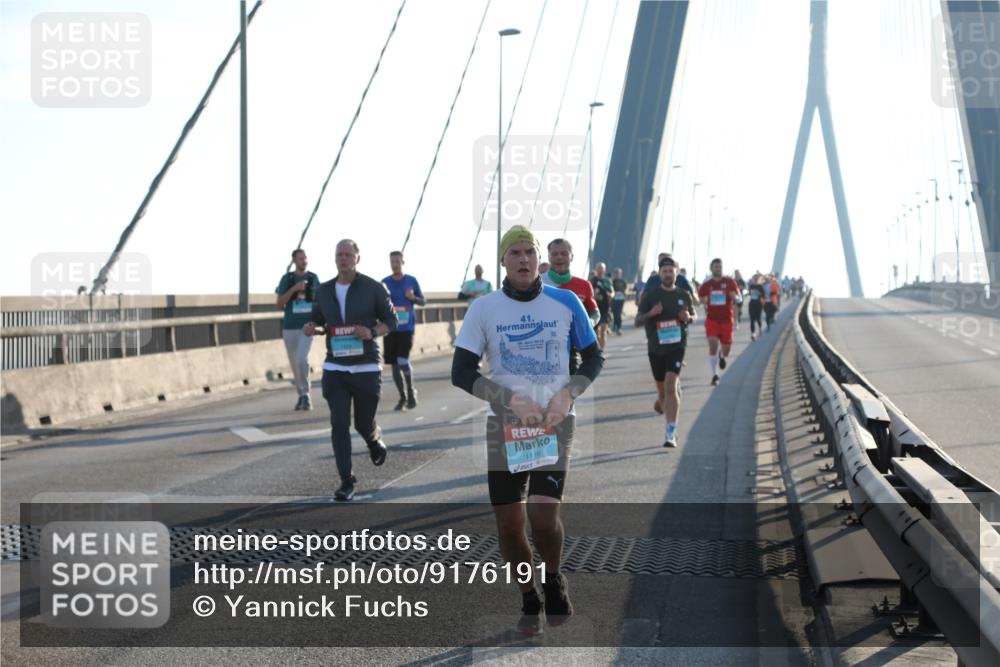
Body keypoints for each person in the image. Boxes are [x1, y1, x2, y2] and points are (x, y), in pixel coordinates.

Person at [451, 226, 603, 634]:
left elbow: (593, 358)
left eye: (529, 252)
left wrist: (568, 393)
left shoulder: (566, 301)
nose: (523, 259)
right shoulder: (484, 308)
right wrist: (507, 399)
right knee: (508, 524)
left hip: (554, 423)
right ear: (503, 261)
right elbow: (461, 372)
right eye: (515, 252)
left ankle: (553, 576)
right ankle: (528, 595)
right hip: (505, 427)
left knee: (541, 515)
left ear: (539, 260)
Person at [304, 239, 397, 501]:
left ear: (357, 258)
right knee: (339, 423)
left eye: (348, 254)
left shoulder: (373, 288)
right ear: (335, 259)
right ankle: (347, 481)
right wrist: (312, 326)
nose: (343, 258)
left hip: (366, 365)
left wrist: (372, 332)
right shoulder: (323, 291)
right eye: (339, 255)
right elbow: (319, 320)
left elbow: (392, 320)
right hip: (335, 366)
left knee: (362, 422)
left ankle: (373, 439)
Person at [635, 256, 696, 447]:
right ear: (660, 274)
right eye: (665, 271)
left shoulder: (683, 295)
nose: (668, 274)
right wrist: (651, 314)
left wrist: (688, 317)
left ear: (676, 273)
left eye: (671, 271)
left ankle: (671, 432)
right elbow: (637, 321)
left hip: (677, 346)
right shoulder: (650, 296)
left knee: (671, 384)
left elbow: (693, 316)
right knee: (663, 391)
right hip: (656, 347)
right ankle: (662, 403)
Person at [275, 249, 320, 411]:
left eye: (305, 258)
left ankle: (307, 395)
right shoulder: (287, 279)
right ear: (294, 260)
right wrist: (294, 289)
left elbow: (320, 300)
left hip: (307, 327)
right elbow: (279, 303)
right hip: (290, 327)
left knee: (303, 360)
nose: (304, 261)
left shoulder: (313, 278)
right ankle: (301, 394)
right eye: (301, 258)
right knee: (295, 364)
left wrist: (318, 321)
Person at [382, 251, 426, 411]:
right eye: (392, 262)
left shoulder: (411, 281)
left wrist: (413, 298)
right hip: (390, 328)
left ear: (403, 262)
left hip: (407, 328)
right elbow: (378, 304)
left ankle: (410, 390)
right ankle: (403, 396)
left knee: (402, 361)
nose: (395, 264)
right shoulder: (385, 282)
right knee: (394, 366)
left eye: (397, 261)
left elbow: (423, 302)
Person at [697, 258, 741, 387]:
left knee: (726, 349)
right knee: (713, 344)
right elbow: (700, 298)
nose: (718, 269)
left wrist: (735, 298)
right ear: (711, 268)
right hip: (712, 320)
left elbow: (738, 296)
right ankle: (714, 375)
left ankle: (722, 355)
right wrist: (703, 302)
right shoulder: (707, 285)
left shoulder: (729, 282)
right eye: (716, 267)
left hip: (727, 320)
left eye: (720, 267)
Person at [590, 263, 614, 348]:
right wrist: (593, 294)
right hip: (595, 309)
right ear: (596, 269)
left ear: (604, 270)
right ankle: (598, 348)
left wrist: (611, 295)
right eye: (599, 268)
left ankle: (601, 351)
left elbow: (612, 291)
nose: (600, 270)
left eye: (602, 268)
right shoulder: (592, 280)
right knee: (597, 332)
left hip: (605, 308)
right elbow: (588, 293)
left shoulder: (607, 281)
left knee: (603, 330)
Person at [747, 273, 766, 341]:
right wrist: (748, 293)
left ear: (758, 279)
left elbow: (764, 295)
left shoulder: (760, 286)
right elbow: (749, 293)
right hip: (752, 304)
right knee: (752, 320)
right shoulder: (751, 286)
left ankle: (760, 329)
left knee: (758, 319)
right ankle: (753, 333)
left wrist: (759, 293)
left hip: (758, 304)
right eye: (753, 278)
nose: (754, 280)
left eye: (756, 279)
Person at [611, 268, 628, 335]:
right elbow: (611, 289)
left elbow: (625, 289)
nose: (617, 274)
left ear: (620, 274)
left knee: (618, 313)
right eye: (616, 273)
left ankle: (619, 327)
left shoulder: (623, 281)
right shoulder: (613, 281)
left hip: (621, 299)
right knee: (615, 313)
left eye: (618, 273)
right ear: (615, 274)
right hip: (614, 299)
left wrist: (624, 296)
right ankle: (615, 325)